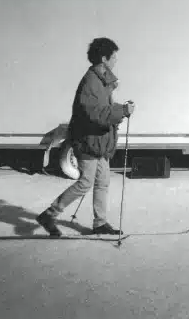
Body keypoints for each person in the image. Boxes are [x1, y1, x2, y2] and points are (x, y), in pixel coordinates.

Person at [36, 37, 135, 237]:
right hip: (87, 140)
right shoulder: (91, 82)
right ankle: (49, 214)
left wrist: (120, 111)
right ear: (104, 59)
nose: (116, 60)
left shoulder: (102, 80)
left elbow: (104, 110)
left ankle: (100, 223)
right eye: (114, 57)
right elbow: (95, 113)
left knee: (103, 181)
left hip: (99, 141)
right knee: (86, 182)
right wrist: (122, 111)